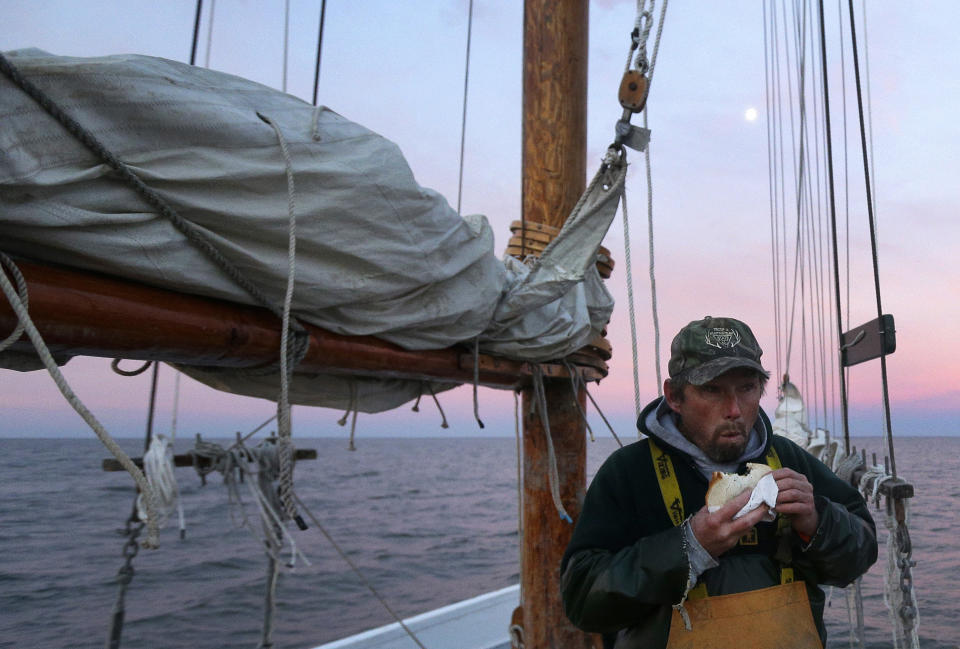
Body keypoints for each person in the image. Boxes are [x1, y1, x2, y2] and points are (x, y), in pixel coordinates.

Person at [561, 316, 877, 649]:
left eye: (747, 388)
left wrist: (816, 522)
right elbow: (582, 600)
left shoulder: (789, 460)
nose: (733, 410)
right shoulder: (629, 472)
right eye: (712, 389)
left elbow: (861, 553)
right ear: (674, 396)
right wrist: (690, 548)